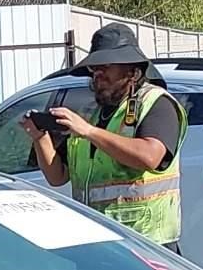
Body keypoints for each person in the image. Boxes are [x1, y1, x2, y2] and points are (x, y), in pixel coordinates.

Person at [23, 22, 184, 247]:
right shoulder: (93, 115)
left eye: (106, 66)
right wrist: (40, 137)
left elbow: (150, 156)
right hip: (97, 242)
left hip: (146, 244)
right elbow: (57, 176)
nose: (98, 74)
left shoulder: (157, 104)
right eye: (94, 68)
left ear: (133, 71)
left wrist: (88, 131)